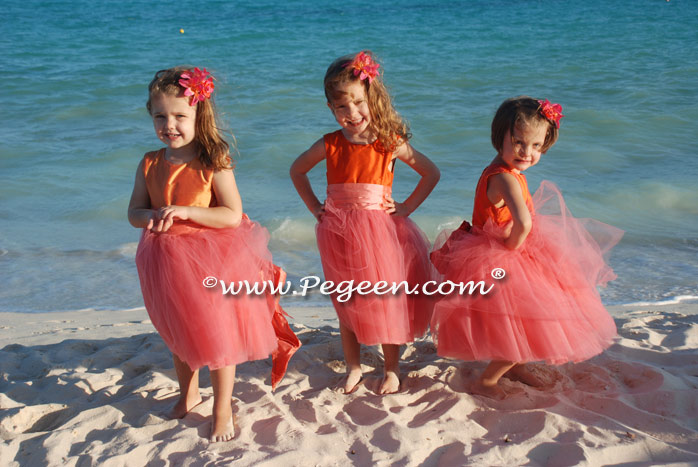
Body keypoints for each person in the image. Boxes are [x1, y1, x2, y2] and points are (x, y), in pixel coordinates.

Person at [128, 66, 300, 442]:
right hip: (164, 258)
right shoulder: (149, 162)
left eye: (179, 116)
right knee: (178, 332)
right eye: (160, 116)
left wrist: (188, 212)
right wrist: (151, 216)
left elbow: (231, 214)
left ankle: (222, 408)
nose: (168, 125)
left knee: (217, 335)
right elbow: (133, 212)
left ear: (197, 116)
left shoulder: (212, 160)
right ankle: (187, 394)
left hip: (211, 258)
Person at [430, 96, 623, 398]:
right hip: (507, 253)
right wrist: (512, 247)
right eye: (519, 142)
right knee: (530, 321)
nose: (527, 153)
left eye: (536, 146)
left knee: (525, 323)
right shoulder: (505, 178)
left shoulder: (501, 169)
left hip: (506, 248)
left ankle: (514, 366)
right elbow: (524, 223)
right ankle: (488, 381)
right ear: (500, 138)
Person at [290, 51, 440, 395]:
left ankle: (391, 368)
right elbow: (297, 170)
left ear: (371, 98)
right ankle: (354, 366)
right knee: (348, 303)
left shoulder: (388, 143)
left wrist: (406, 207)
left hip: (380, 233)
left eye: (358, 103)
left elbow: (430, 172)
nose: (352, 113)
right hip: (337, 232)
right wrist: (315, 206)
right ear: (331, 108)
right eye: (342, 107)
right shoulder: (330, 143)